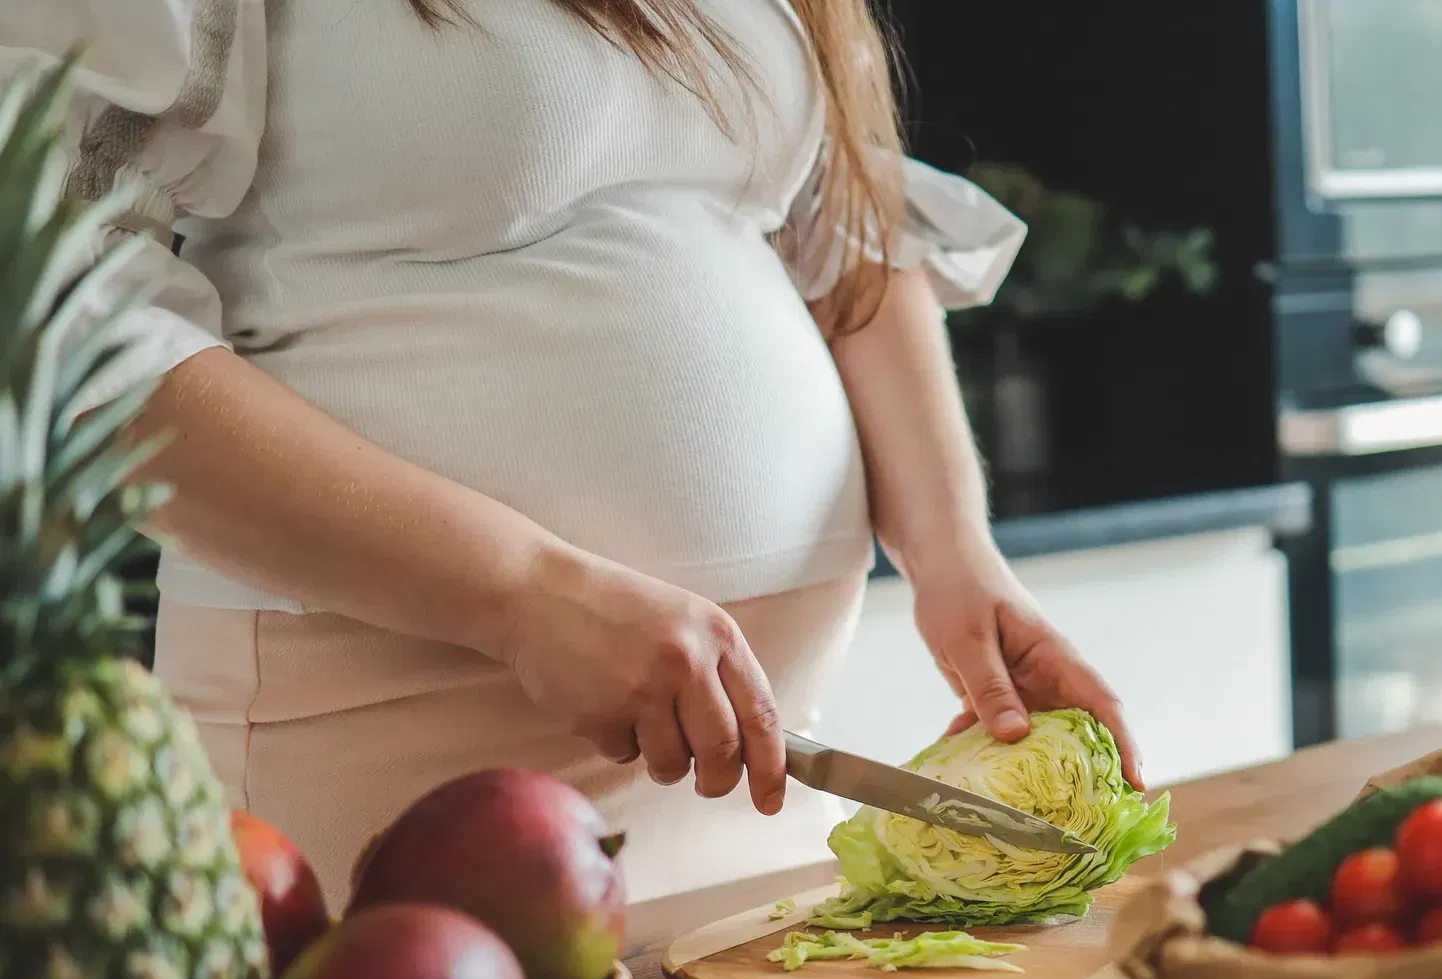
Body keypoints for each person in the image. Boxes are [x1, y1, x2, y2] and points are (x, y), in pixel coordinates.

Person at [5, 0, 1141, 909]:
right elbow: (57, 299)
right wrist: (522, 592)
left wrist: (952, 548)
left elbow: (840, 220)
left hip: (755, 789)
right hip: (396, 779)